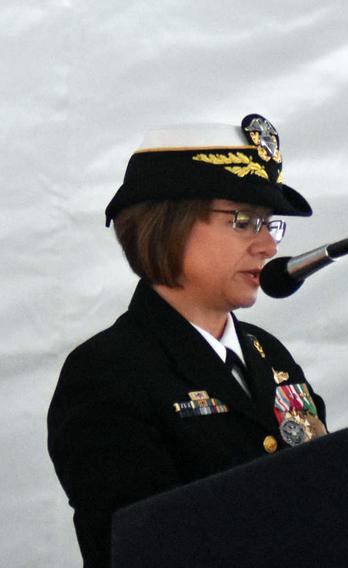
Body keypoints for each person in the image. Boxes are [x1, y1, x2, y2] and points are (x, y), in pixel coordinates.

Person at [47, 114, 327, 568]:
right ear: (169, 225)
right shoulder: (107, 371)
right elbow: (141, 543)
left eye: (269, 224)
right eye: (243, 221)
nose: (268, 247)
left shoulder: (269, 355)